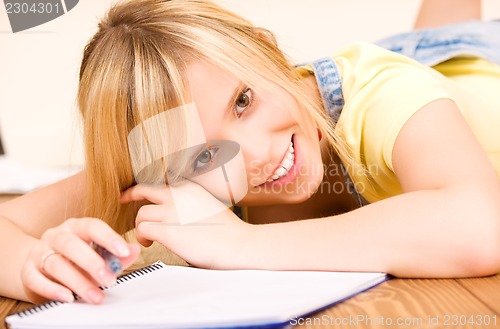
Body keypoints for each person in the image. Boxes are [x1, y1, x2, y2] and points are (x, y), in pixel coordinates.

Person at [0, 0, 499, 305]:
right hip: (429, 65)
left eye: (243, 101)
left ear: (269, 49)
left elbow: (481, 227)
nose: (256, 154)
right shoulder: (163, 167)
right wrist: (28, 263)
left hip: (475, 65)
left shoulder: (381, 93)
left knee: (447, 46)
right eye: (203, 157)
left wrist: (241, 244)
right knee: (432, 39)